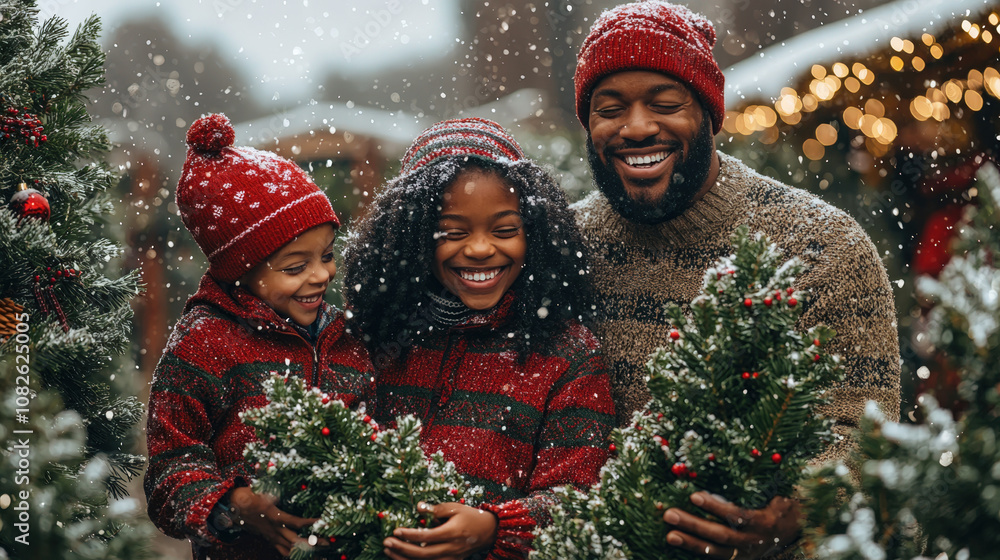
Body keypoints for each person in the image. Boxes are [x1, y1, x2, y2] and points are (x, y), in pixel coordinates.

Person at [570, 2, 902, 559]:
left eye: (665, 103)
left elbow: (864, 429)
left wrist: (796, 509)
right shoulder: (563, 250)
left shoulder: (822, 246)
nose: (637, 127)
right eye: (610, 108)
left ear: (708, 114)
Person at [342, 117, 616, 560]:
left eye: (505, 230)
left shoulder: (568, 355)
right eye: (453, 233)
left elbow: (580, 496)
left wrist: (495, 529)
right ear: (412, 239)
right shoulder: (377, 340)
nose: (480, 249)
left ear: (538, 234)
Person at [144, 114, 375, 560]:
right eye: (295, 267)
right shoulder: (202, 345)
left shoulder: (343, 335)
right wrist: (232, 506)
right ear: (241, 271)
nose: (322, 275)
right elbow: (169, 472)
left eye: (327, 256)